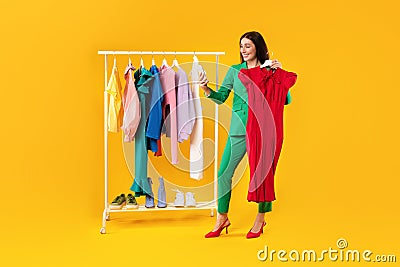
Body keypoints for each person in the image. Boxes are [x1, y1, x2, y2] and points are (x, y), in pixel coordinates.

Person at [199, 31, 291, 238]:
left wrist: (278, 74)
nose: (243, 50)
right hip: (239, 131)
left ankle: (260, 219)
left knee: (263, 177)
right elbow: (220, 97)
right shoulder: (234, 71)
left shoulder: (270, 70)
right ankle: (222, 217)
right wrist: (205, 88)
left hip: (263, 131)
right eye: (241, 46)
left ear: (258, 47)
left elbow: (286, 100)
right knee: (223, 174)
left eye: (248, 46)